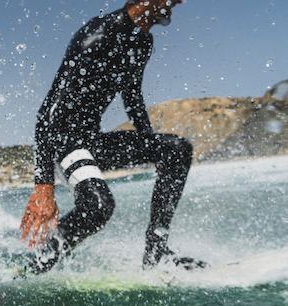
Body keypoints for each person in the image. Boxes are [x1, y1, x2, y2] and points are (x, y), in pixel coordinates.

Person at [20, 0, 207, 275]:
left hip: (92, 141)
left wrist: (150, 147)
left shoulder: (143, 43)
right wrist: (43, 187)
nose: (177, 2)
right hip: (65, 142)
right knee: (98, 207)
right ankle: (36, 266)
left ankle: (156, 254)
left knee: (176, 150)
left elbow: (132, 97)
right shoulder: (98, 34)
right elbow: (46, 113)